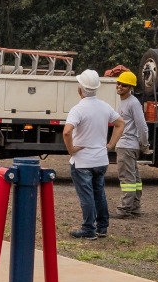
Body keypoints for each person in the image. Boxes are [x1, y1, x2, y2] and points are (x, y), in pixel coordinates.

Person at [61, 69, 123, 239]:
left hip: (82, 162)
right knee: (99, 193)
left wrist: (71, 150)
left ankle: (88, 229)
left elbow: (67, 132)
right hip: (101, 159)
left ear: (80, 89)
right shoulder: (105, 106)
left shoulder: (78, 109)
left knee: (86, 196)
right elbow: (120, 123)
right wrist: (110, 145)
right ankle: (102, 227)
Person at [111, 69, 148, 217]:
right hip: (126, 145)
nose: (120, 87)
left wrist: (144, 144)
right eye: (119, 83)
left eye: (124, 85)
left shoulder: (133, 103)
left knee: (127, 179)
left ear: (130, 87)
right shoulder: (124, 102)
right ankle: (134, 207)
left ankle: (124, 209)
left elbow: (142, 126)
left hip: (127, 146)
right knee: (135, 179)